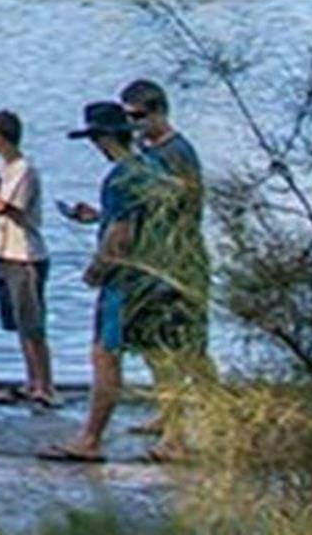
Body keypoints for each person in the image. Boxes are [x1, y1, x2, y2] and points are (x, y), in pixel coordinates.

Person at [40, 100, 159, 463]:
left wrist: (97, 269)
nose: (95, 146)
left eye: (95, 138)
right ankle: (176, 431)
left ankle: (90, 440)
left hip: (123, 280)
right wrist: (100, 217)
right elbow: (136, 219)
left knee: (104, 356)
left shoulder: (119, 177)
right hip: (153, 274)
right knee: (158, 354)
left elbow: (121, 235)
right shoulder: (148, 167)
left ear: (104, 138)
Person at [119, 77, 214, 452]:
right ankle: (166, 414)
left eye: (138, 117)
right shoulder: (146, 148)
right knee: (153, 347)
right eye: (127, 118)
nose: (133, 126)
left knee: (185, 348)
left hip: (179, 261)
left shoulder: (179, 152)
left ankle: (184, 432)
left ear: (159, 111)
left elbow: (184, 204)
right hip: (150, 260)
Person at [0, 109, 55, 408]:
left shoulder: (24, 170)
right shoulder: (4, 171)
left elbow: (5, 208)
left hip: (26, 255)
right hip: (5, 251)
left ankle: (46, 386)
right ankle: (32, 382)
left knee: (33, 324)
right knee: (19, 323)